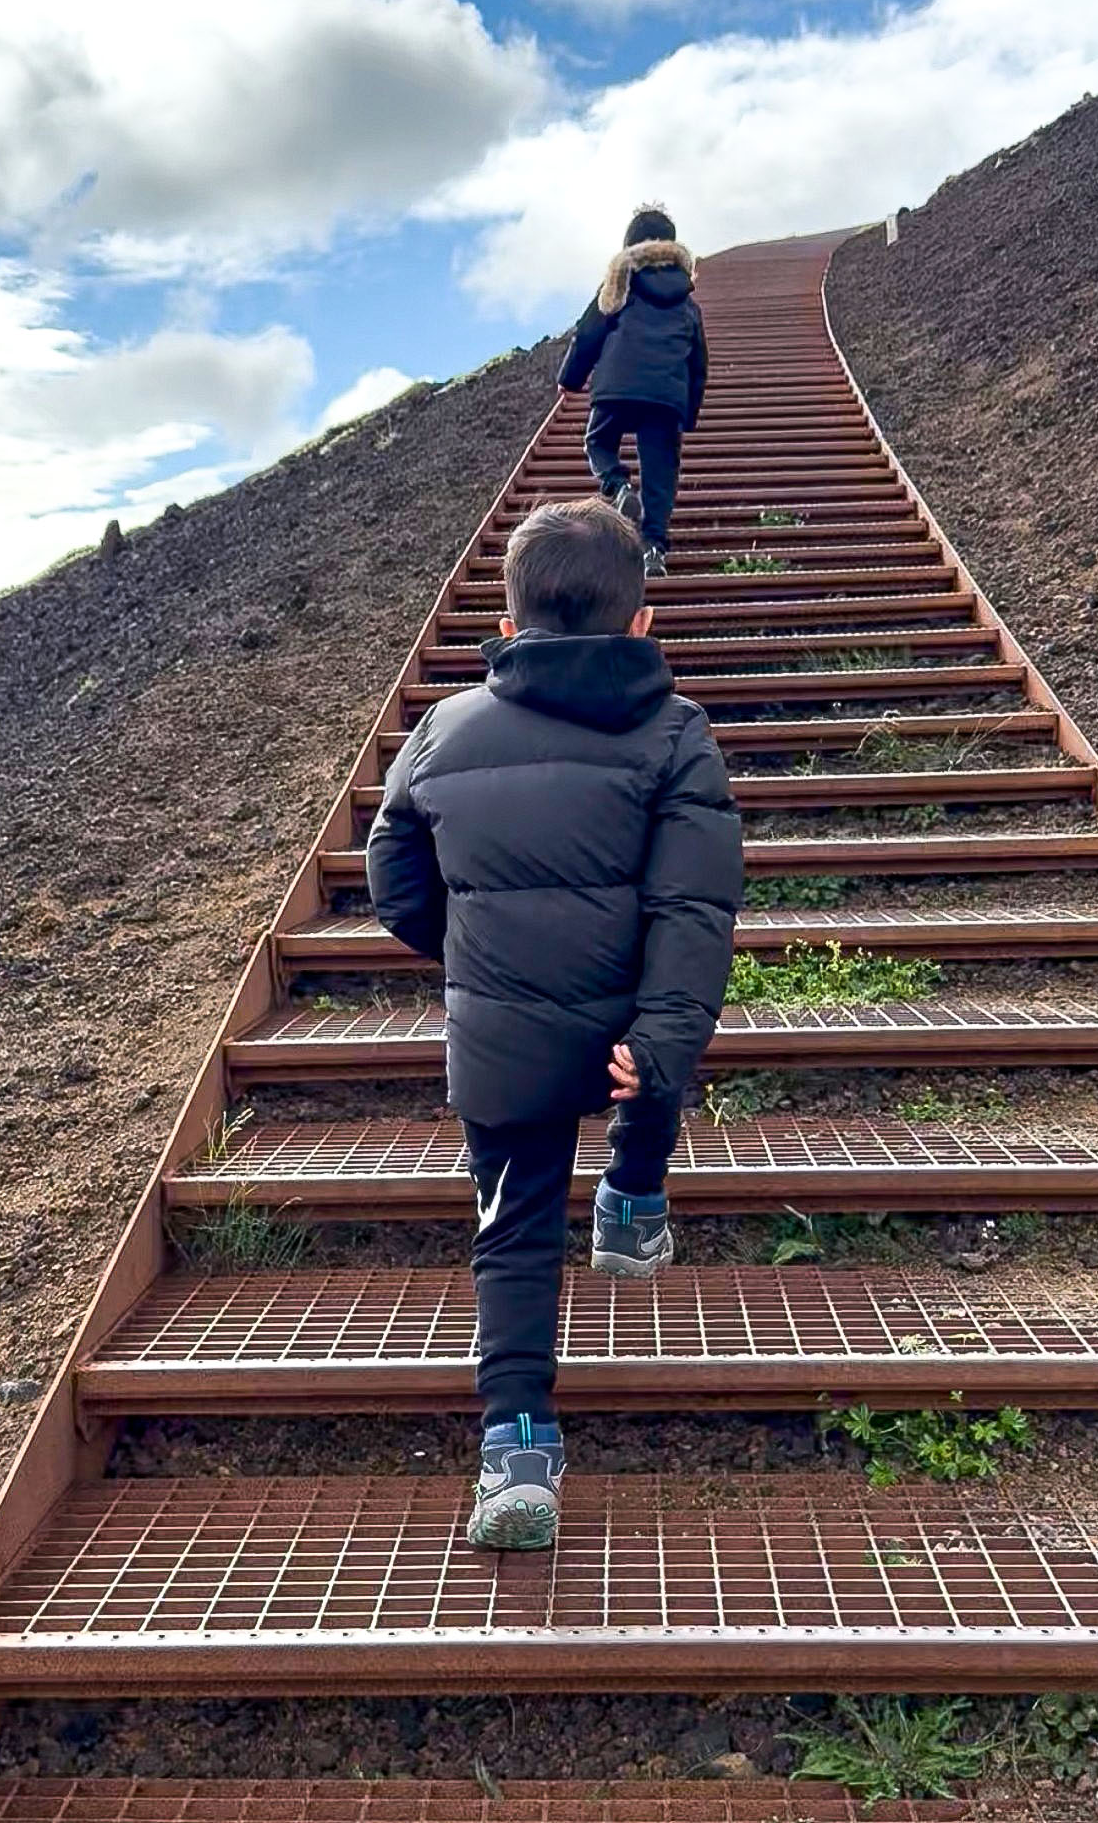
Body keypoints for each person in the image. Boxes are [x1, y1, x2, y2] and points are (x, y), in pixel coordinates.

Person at [366, 498, 741, 1551]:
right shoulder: (676, 732)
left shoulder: (444, 726)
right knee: (651, 1057)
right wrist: (664, 1029)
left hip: (502, 1032)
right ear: (642, 624)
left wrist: (475, 956)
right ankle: (631, 1201)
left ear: (510, 617)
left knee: (515, 1232)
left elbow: (395, 879)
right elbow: (692, 909)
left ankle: (517, 1450)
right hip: (626, 1015)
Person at [557, 206, 708, 580]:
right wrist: (687, 412)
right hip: (665, 397)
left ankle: (618, 484)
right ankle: (653, 548)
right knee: (660, 472)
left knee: (598, 442)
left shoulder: (617, 287)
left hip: (616, 388)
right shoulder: (687, 301)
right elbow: (698, 363)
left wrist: (570, 380)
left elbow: (588, 334)